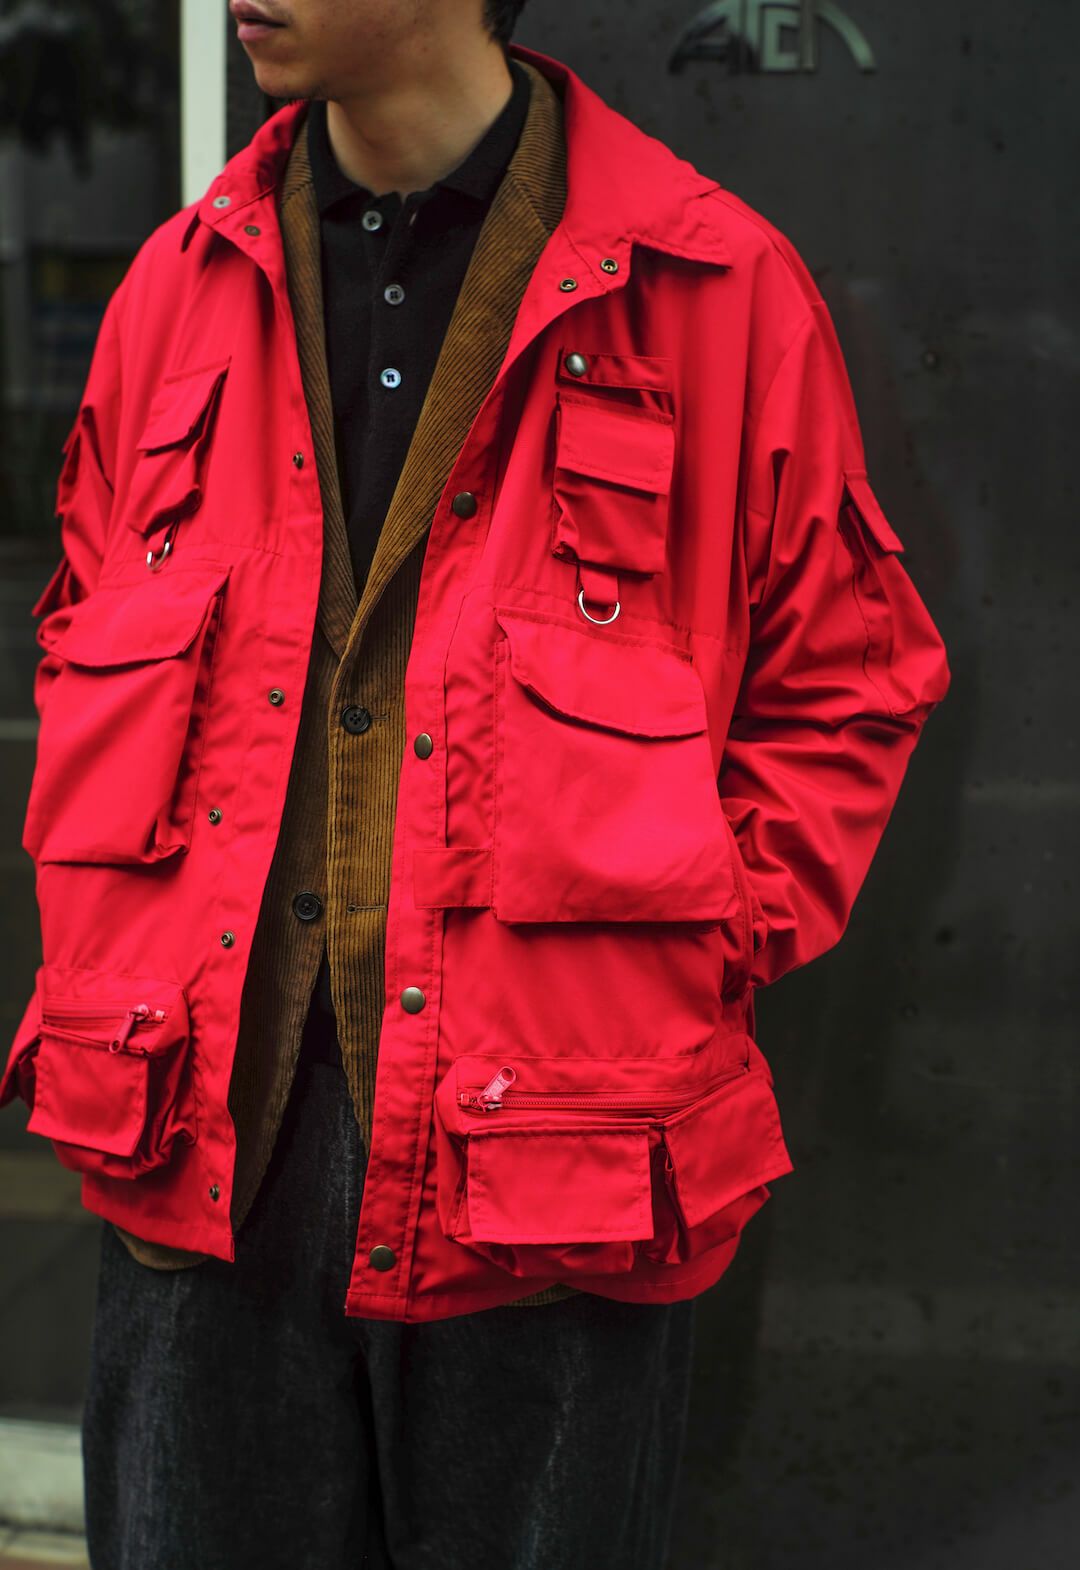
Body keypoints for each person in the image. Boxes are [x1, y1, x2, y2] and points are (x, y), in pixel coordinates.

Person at [1, 2, 950, 1565]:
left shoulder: (709, 289)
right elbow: (81, 630)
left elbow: (851, 676)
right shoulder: (177, 287)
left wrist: (695, 941)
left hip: (555, 1175)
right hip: (198, 1148)